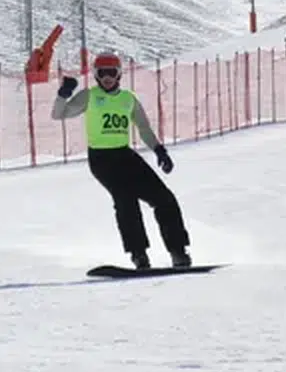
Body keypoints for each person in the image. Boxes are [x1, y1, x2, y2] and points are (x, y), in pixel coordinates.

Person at [51, 52, 192, 269]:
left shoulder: (128, 99)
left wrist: (159, 150)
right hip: (101, 160)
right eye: (102, 73)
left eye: (112, 72)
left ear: (119, 74)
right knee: (126, 201)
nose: (107, 77)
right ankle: (139, 255)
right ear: (96, 75)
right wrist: (63, 94)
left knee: (164, 199)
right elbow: (59, 114)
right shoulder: (89, 96)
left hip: (125, 156)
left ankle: (178, 252)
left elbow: (143, 127)